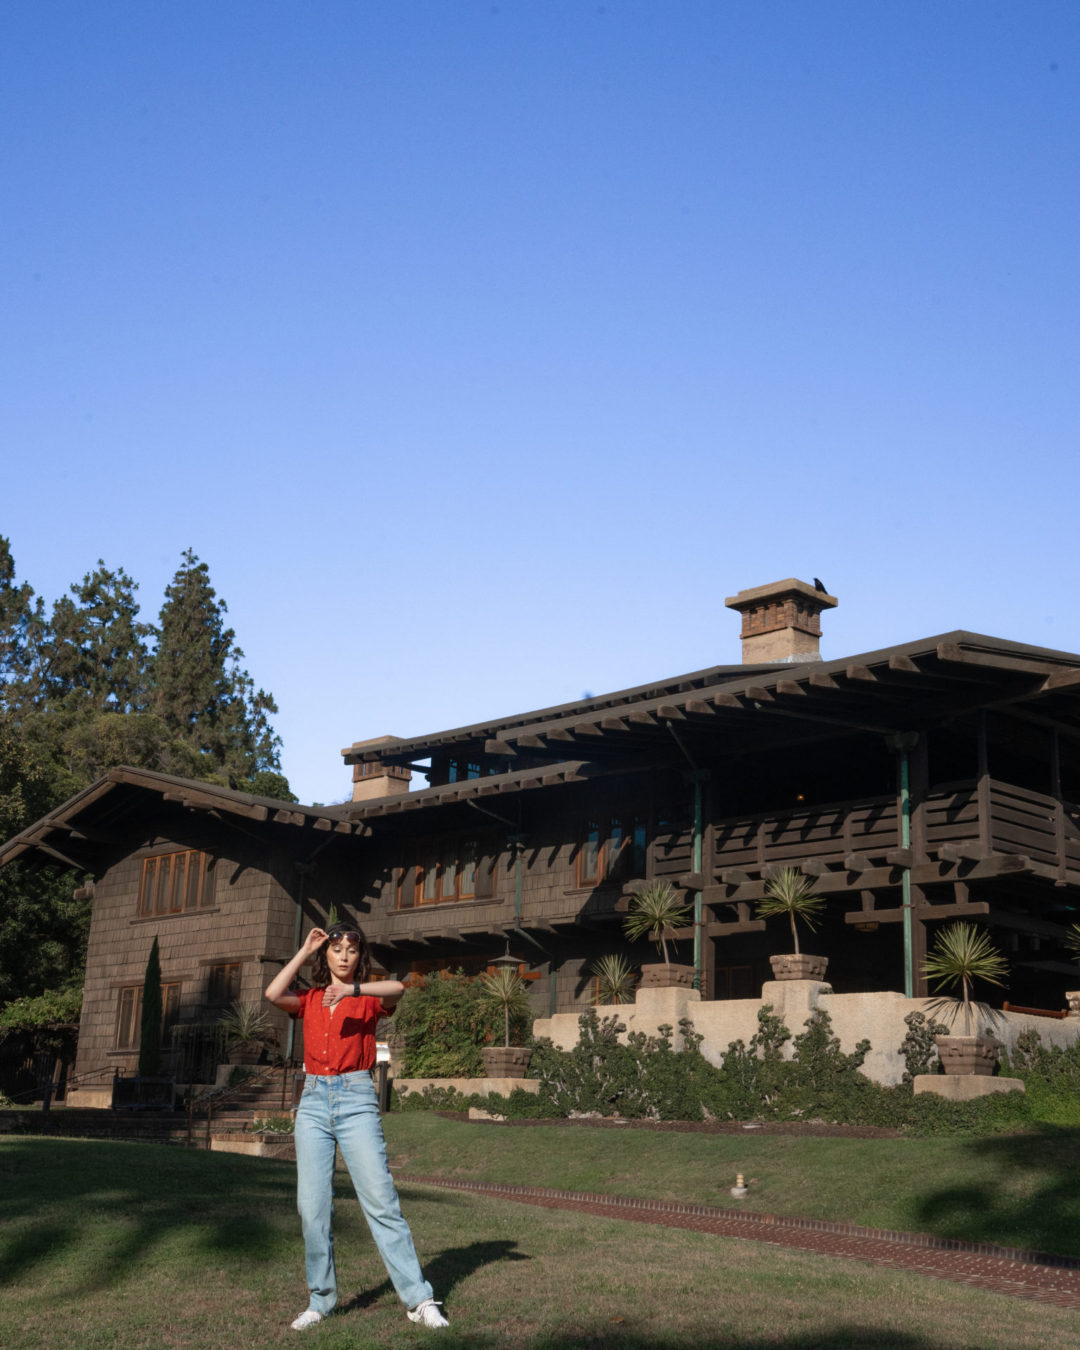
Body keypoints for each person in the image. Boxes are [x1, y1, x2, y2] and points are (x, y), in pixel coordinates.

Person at [265, 921, 449, 1332]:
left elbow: (400, 989)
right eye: (336, 949)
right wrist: (304, 948)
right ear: (325, 956)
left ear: (359, 956)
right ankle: (320, 1301)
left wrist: (352, 990)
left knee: (381, 1201)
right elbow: (273, 994)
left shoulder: (365, 998)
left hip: (356, 1099)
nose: (344, 955)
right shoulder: (309, 999)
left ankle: (418, 1299)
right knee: (312, 1208)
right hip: (313, 1102)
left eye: (351, 949)